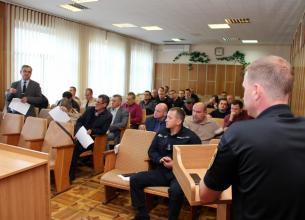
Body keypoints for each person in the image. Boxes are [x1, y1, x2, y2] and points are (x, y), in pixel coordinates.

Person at [199, 56, 305, 220]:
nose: (244, 95)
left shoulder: (239, 134)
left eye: (244, 89)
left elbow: (206, 196)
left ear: (256, 91)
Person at [130, 107, 201, 220]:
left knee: (176, 191)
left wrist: (176, 164)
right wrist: (160, 159)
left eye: (169, 117)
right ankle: (142, 213)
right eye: (166, 117)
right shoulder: (161, 132)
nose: (166, 120)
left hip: (179, 176)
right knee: (135, 179)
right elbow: (151, 151)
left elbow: (197, 160)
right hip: (162, 172)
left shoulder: (191, 137)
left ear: (178, 121)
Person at [69, 94, 112, 181]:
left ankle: (70, 175)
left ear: (104, 105)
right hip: (81, 135)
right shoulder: (90, 109)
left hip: (94, 139)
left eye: (99, 102)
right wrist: (79, 132)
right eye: (96, 101)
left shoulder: (108, 116)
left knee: (74, 149)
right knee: (67, 145)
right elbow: (79, 121)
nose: (96, 104)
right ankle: (64, 171)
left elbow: (103, 130)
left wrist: (92, 130)